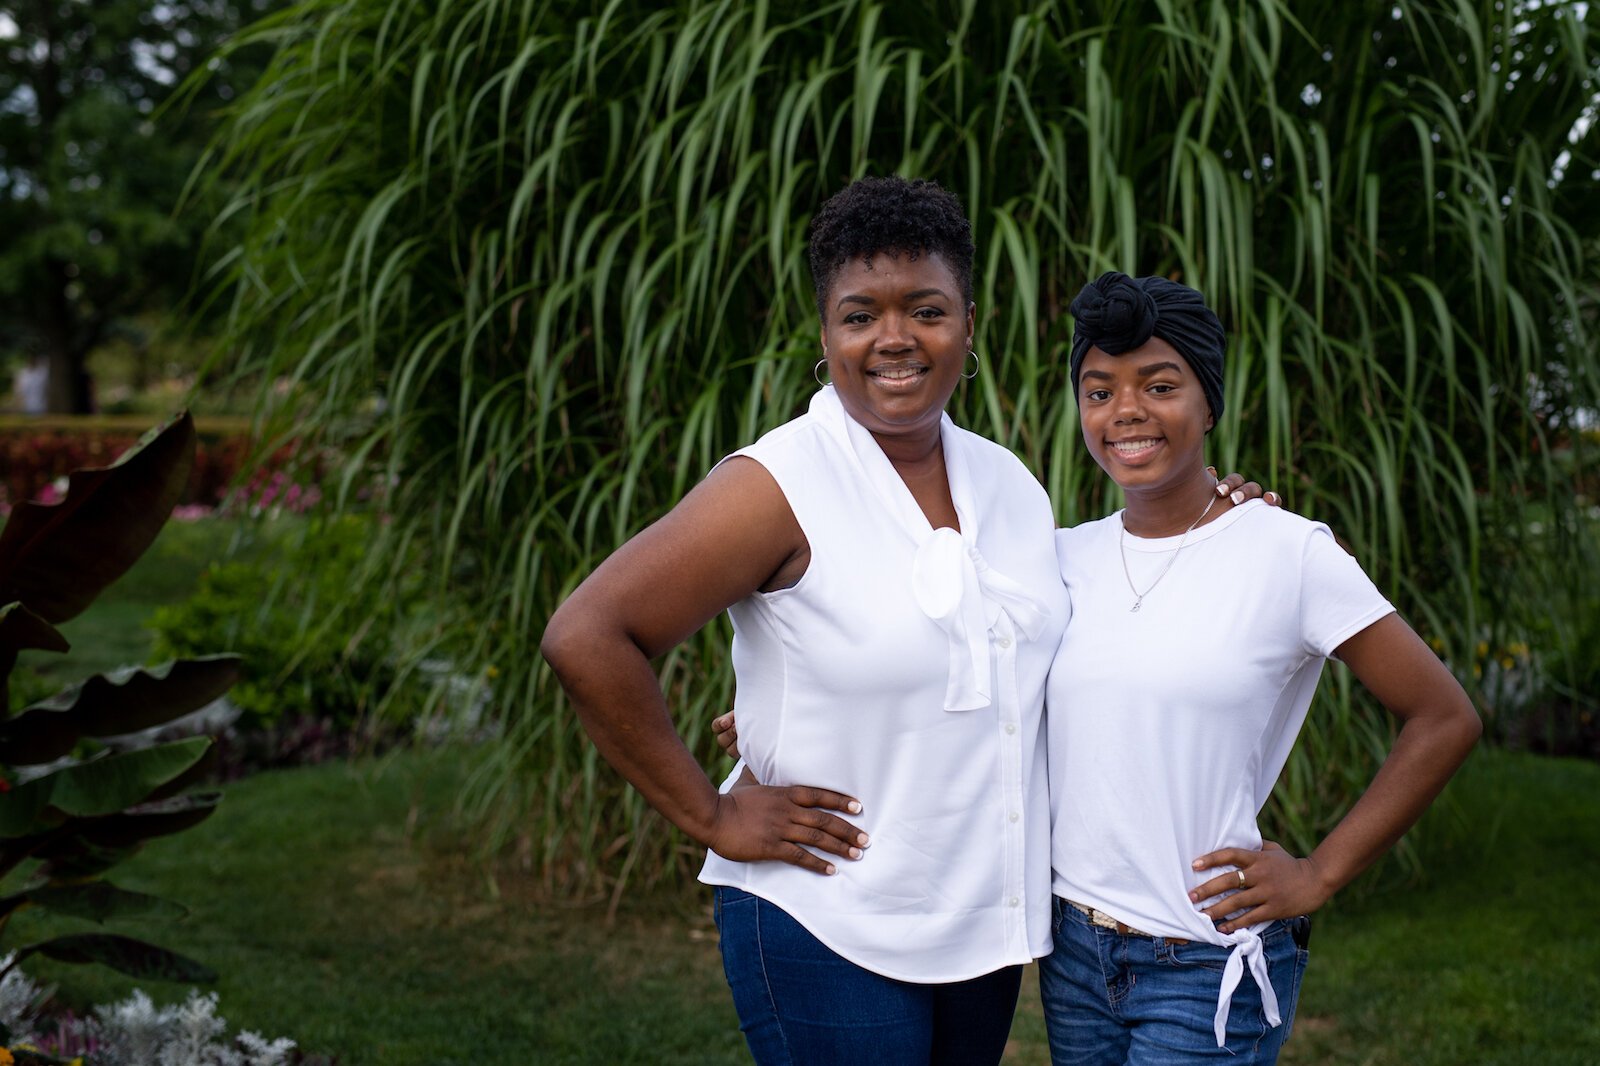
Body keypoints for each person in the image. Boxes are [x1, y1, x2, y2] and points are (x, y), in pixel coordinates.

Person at [543, 177, 1260, 1064]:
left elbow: (1063, 638)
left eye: (925, 310)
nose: (894, 338)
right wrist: (713, 815)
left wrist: (1218, 517)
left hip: (979, 930)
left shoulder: (1007, 484)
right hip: (827, 917)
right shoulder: (777, 487)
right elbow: (587, 635)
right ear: (825, 336)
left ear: (969, 323)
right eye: (860, 316)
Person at [1038, 272, 1480, 1064]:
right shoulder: (1062, 557)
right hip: (1072, 952)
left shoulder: (1287, 551)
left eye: (1160, 385)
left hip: (1205, 957)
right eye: (1099, 391)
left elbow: (1444, 717)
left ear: (1209, 403)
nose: (1125, 410)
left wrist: (1320, 872)